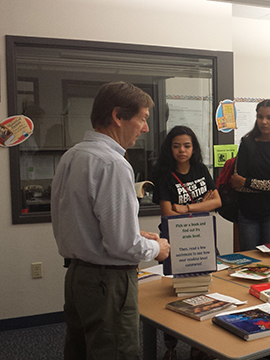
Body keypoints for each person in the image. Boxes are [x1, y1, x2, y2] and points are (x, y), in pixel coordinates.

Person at [51, 81, 171, 360]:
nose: (146, 129)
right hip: (109, 282)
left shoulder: (72, 156)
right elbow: (122, 246)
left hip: (78, 277)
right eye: (142, 118)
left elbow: (81, 222)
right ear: (118, 116)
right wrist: (158, 249)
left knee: (80, 351)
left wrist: (137, 233)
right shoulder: (113, 164)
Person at [152, 125, 221, 360]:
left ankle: (199, 345)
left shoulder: (201, 168)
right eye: (176, 145)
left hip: (203, 236)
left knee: (205, 287)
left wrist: (186, 207)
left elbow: (217, 202)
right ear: (169, 148)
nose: (182, 150)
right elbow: (167, 214)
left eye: (187, 145)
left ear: (194, 148)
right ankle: (170, 345)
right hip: (175, 240)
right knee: (176, 293)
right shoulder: (163, 174)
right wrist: (201, 204)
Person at [231, 99, 270, 251]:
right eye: (260, 117)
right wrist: (268, 186)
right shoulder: (247, 143)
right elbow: (236, 182)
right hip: (247, 211)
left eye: (269, 117)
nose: (264, 122)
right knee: (248, 259)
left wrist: (247, 182)